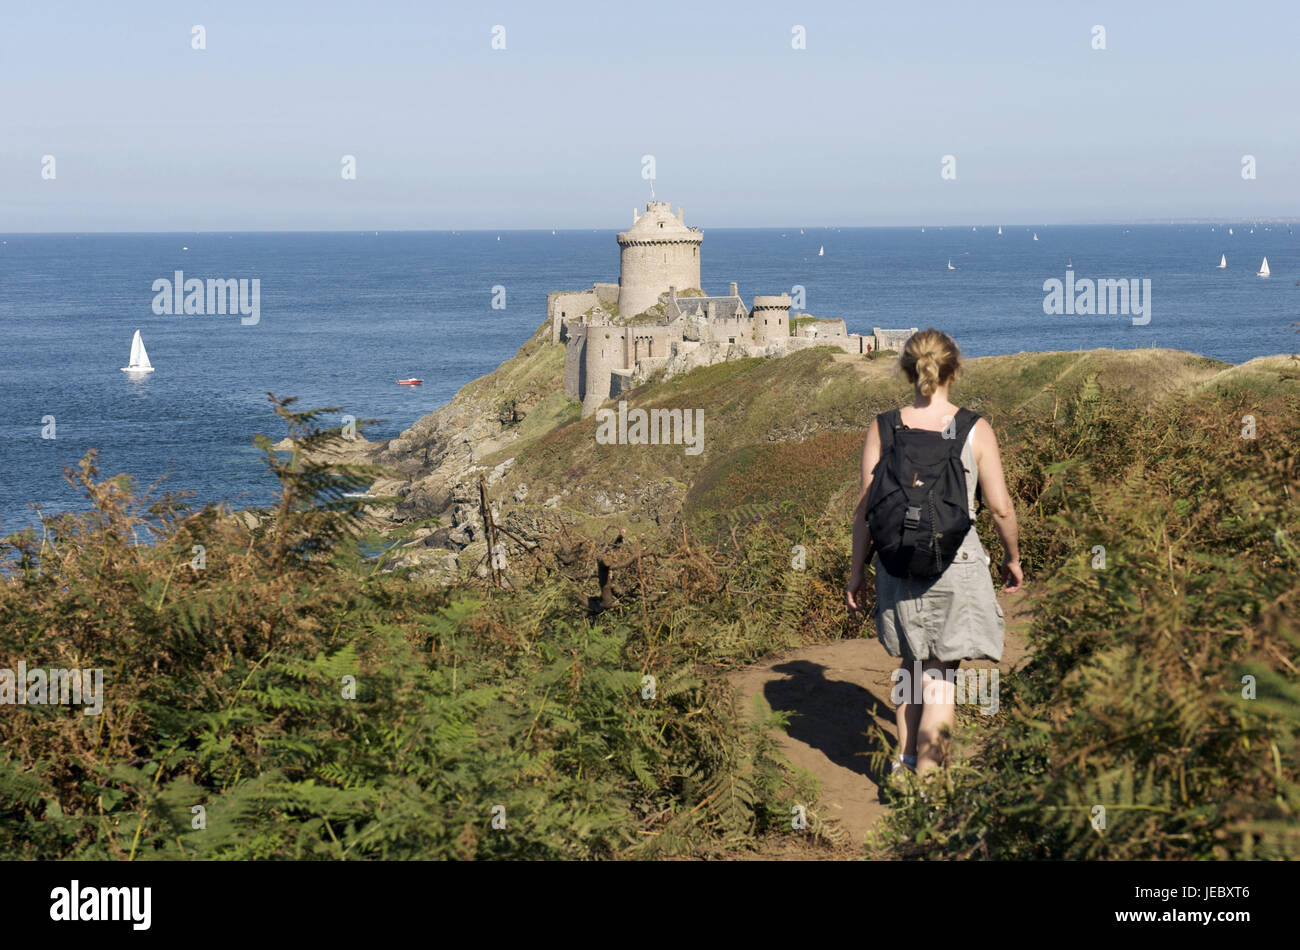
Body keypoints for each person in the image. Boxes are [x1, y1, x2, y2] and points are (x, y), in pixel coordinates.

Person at [845, 329, 1022, 783]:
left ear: (908, 370)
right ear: (955, 370)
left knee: (910, 664)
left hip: (895, 562)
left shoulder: (883, 426)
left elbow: (865, 509)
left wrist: (856, 573)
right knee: (941, 673)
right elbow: (1000, 507)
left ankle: (903, 767)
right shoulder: (973, 428)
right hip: (956, 562)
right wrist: (1012, 557)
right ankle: (928, 786)